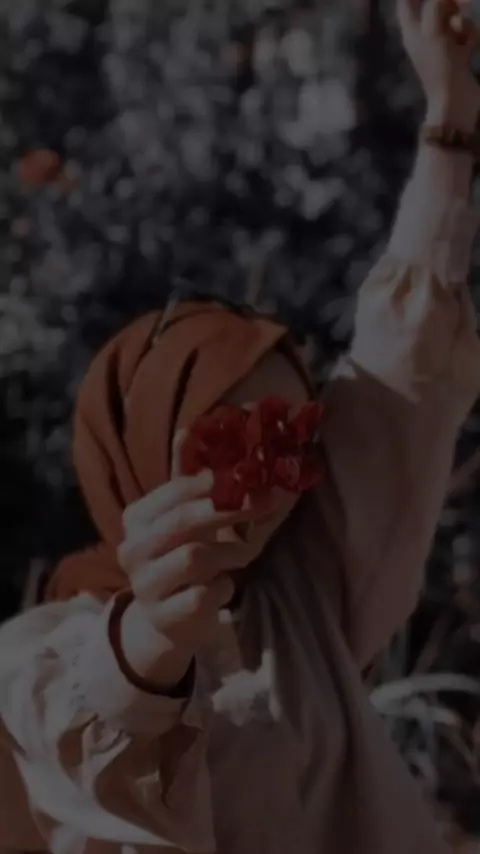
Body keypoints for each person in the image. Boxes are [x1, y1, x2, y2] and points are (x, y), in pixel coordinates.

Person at [1, 0, 480, 852]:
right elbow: (97, 730)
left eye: (292, 439)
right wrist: (153, 634)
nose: (265, 479)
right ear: (139, 452)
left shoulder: (310, 590)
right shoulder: (47, 655)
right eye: (225, 440)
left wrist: (448, 120)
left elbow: (399, 374)